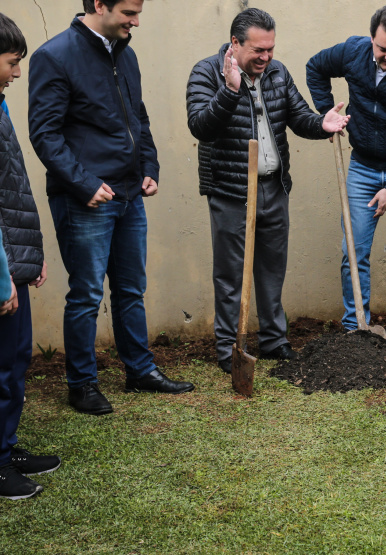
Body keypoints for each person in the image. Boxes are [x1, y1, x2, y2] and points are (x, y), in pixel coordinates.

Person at [28, 0, 194, 415]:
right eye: (129, 13)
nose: (136, 22)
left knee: (130, 290)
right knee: (85, 294)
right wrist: (84, 184)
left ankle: (140, 371)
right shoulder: (54, 56)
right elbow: (45, 134)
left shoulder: (126, 52)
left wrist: (149, 167)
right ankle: (81, 385)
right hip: (84, 198)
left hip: (129, 194)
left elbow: (138, 118)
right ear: (99, 4)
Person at [186, 8, 350, 373]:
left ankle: (274, 341)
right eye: (258, 50)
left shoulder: (277, 73)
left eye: (270, 49)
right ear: (235, 44)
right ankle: (230, 348)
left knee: (272, 269)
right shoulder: (206, 72)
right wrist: (229, 90)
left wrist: (322, 123)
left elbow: (299, 117)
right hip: (231, 191)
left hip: (274, 188)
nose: (266, 57)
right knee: (230, 274)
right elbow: (201, 127)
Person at [306, 5, 386, 346]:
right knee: (354, 250)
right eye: (383, 49)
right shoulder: (353, 51)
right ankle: (356, 324)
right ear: (371, 40)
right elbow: (316, 67)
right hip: (363, 168)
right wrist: (327, 112)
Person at [0, 12, 61, 500]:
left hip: (11, 260)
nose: (18, 72)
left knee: (16, 358)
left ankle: (6, 443)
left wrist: (28, 259)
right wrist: (3, 281)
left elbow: (12, 193)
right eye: (12, 62)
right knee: (2, 362)